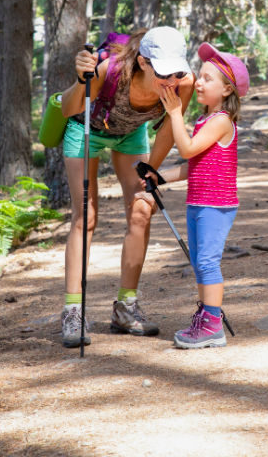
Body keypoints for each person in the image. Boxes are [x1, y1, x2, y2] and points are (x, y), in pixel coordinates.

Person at [59, 26, 194, 348]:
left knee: (142, 209)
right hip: (86, 129)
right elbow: (68, 110)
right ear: (144, 62)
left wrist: (151, 172)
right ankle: (73, 311)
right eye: (164, 72)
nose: (171, 80)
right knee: (85, 217)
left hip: (130, 134)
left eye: (176, 71)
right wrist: (82, 79)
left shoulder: (182, 82)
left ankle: (125, 307)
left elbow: (165, 131)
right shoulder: (110, 70)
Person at [151, 42, 250, 349]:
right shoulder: (205, 121)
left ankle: (212, 325)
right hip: (199, 202)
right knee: (199, 261)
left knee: (207, 262)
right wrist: (158, 177)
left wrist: (175, 112)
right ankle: (207, 315)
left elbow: (186, 148)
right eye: (200, 76)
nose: (199, 83)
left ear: (226, 90)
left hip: (215, 205)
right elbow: (192, 164)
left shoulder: (221, 121)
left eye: (208, 79)